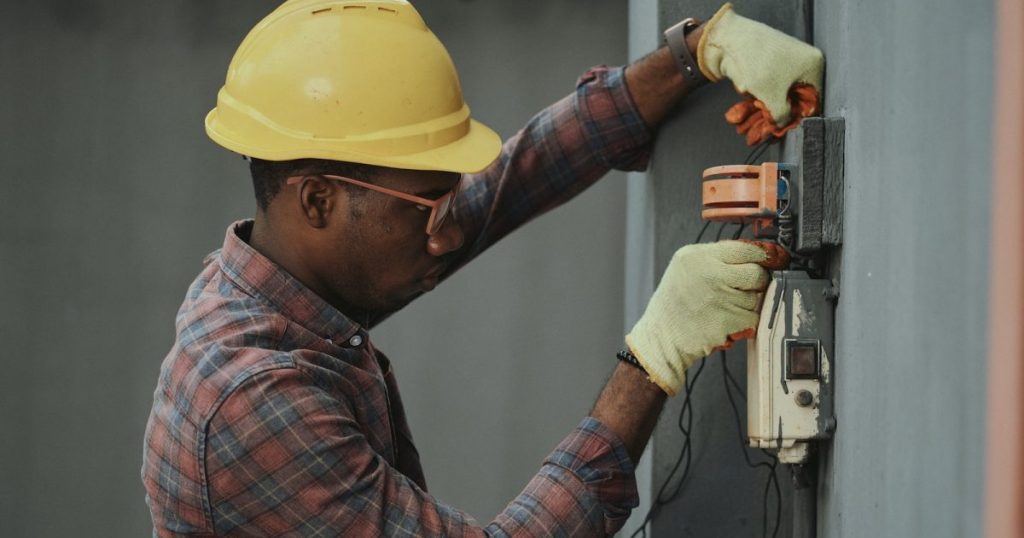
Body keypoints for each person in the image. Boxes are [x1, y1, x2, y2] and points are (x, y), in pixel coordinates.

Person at [141, 1, 823, 535]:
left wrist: (696, 53)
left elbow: (512, 180)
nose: (444, 238)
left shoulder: (275, 279)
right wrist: (651, 360)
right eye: (425, 210)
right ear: (318, 199)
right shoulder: (254, 402)